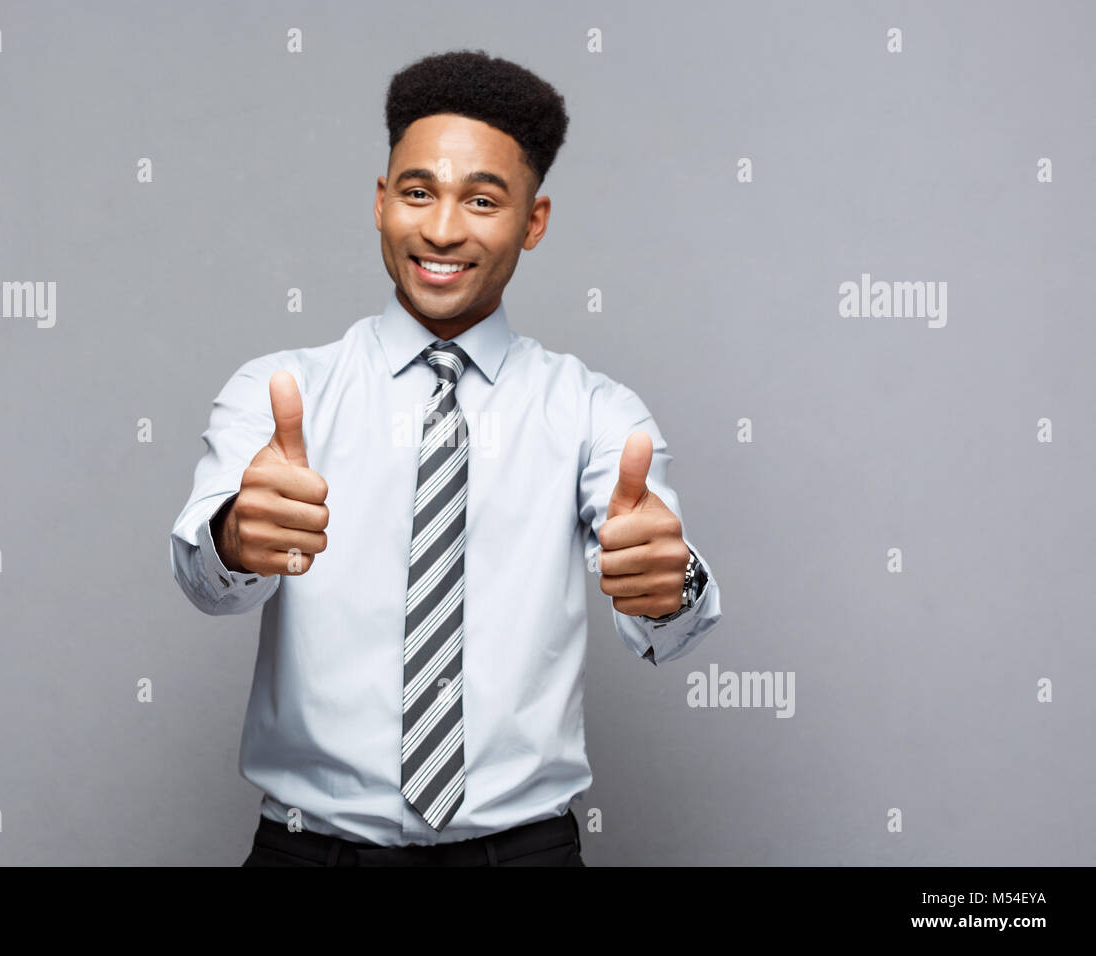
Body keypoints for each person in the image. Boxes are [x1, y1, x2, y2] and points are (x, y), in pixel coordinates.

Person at [170, 49, 722, 867]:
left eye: (483, 199)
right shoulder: (280, 390)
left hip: (524, 856)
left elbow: (669, 619)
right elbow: (202, 580)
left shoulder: (594, 412)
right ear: (381, 201)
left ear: (533, 221)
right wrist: (233, 540)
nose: (441, 229)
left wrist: (667, 586)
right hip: (309, 855)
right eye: (418, 191)